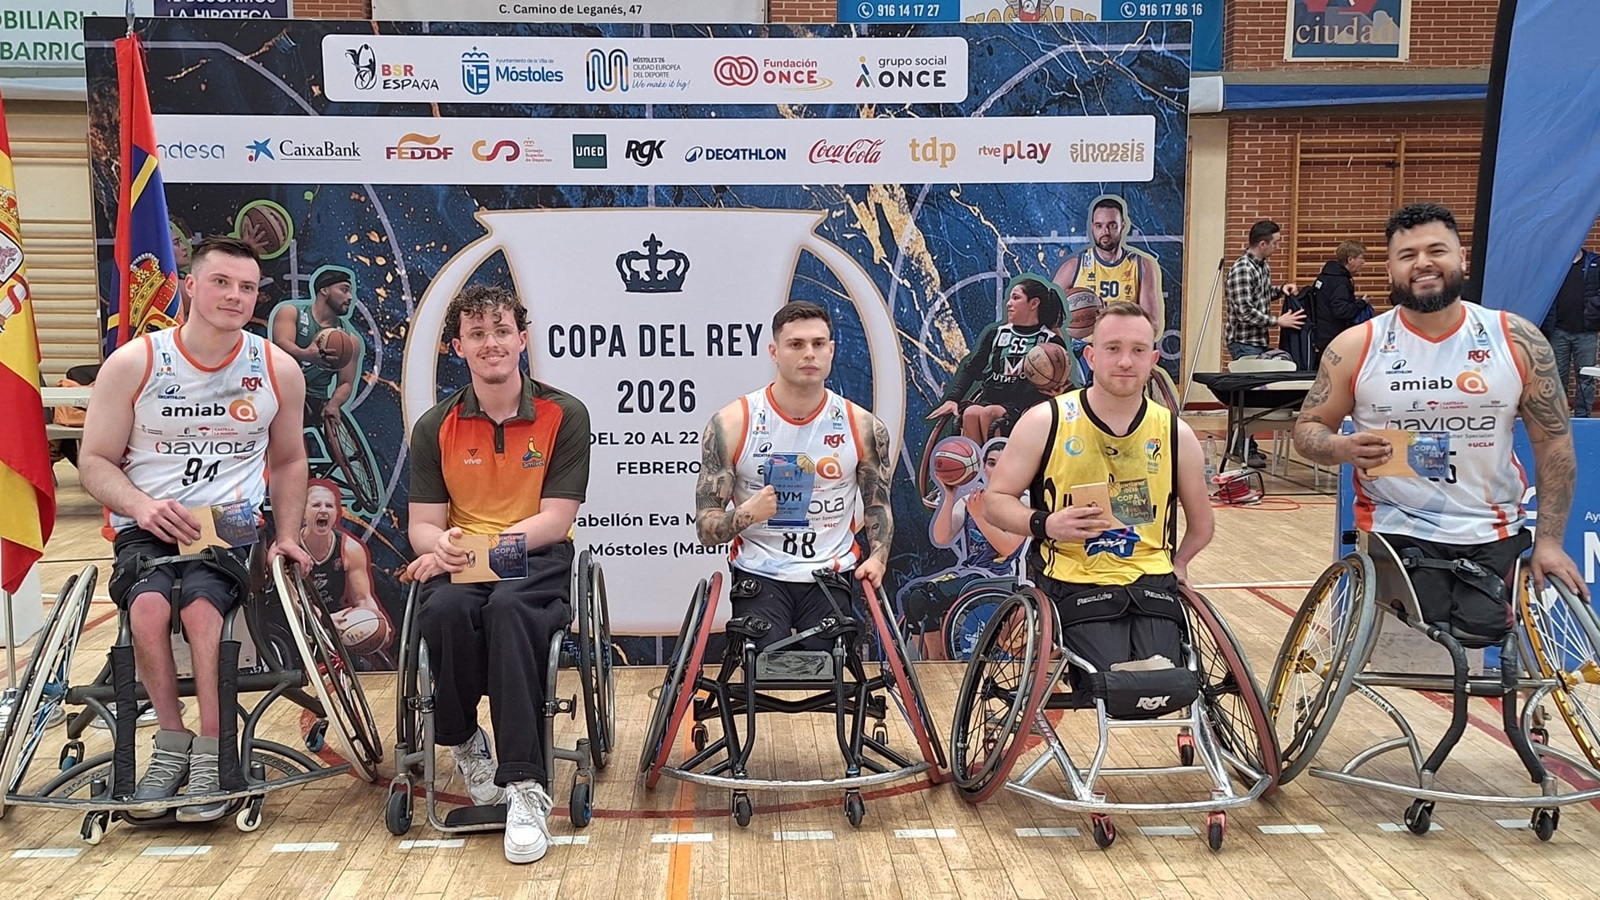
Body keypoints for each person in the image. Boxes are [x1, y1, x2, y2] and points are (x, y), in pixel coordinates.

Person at [77, 236, 311, 821]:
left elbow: (288, 461)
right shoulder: (134, 363)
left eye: (247, 287)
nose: (235, 296)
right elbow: (94, 461)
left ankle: (212, 749)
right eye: (222, 283)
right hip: (150, 522)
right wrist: (141, 504)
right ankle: (170, 743)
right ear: (190, 285)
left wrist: (286, 534)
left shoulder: (276, 368)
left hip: (228, 524)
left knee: (204, 610)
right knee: (148, 609)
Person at [1293, 203, 1588, 635]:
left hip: (1492, 530)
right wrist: (1340, 446)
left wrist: (1549, 541)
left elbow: (1553, 443)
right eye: (1407, 255)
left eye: (1436, 250)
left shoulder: (1517, 339)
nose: (1422, 263)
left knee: (1483, 634)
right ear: (1390, 269)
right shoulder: (1355, 346)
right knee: (1420, 644)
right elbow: (1307, 430)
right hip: (1395, 529)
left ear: (1461, 258)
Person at [404, 284, 590, 865]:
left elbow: (555, 520)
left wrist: (467, 551)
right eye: (477, 333)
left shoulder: (565, 414)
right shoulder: (436, 425)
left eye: (502, 331)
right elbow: (423, 526)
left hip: (535, 557)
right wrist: (439, 546)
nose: (492, 343)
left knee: (509, 610)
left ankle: (525, 786)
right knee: (442, 609)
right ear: (458, 346)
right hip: (465, 561)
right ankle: (465, 741)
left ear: (522, 339)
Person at [981, 300, 1215, 671]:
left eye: (1138, 350)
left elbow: (1202, 526)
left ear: (1153, 359)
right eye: (1112, 348)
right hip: (1071, 579)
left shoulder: (1175, 433)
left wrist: (1180, 563)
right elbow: (995, 501)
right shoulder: (1046, 421)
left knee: (1164, 680)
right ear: (1090, 357)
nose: (1125, 361)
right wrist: (1046, 523)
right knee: (1110, 678)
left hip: (1150, 580)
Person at [695, 300, 894, 651]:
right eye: (796, 344)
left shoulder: (863, 426)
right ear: (774, 352)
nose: (809, 354)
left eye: (818, 343)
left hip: (830, 573)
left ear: (831, 350)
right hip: (760, 572)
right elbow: (705, 529)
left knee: (826, 666)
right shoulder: (732, 423)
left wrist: (878, 557)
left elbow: (878, 505)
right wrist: (746, 514)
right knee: (764, 666)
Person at [928, 274, 1069, 444]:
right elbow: (972, 368)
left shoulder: (1050, 342)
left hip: (1024, 406)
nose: (1008, 303)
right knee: (971, 413)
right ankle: (977, 460)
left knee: (990, 414)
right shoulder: (996, 334)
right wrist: (953, 398)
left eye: (1016, 298)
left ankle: (998, 458)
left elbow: (1060, 383)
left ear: (1034, 303)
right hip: (991, 398)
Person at [1225, 219, 1306, 466]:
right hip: (1243, 341)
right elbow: (1244, 311)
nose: (1277, 247)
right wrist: (1277, 321)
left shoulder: (1262, 266)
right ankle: (1242, 447)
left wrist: (1280, 290)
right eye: (1275, 243)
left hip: (1258, 340)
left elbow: (1261, 294)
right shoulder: (1242, 269)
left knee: (1254, 397)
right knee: (1247, 399)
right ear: (1262, 243)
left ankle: (1247, 445)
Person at [301, 479, 394, 667]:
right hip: (296, 619)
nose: (323, 510)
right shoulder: (290, 548)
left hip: (335, 618)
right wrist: (322, 618)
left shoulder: (350, 549)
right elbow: (293, 600)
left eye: (329, 506)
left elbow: (362, 598)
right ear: (302, 513)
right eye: (316, 505)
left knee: (362, 667)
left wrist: (376, 618)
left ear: (337, 513)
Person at [269, 265, 363, 434]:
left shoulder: (350, 341)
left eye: (351, 292)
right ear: (324, 290)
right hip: (282, 389)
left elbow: (346, 383)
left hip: (314, 400)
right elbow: (281, 343)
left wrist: (334, 404)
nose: (350, 297)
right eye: (344, 290)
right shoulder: (291, 312)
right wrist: (306, 354)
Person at [1052, 194, 1165, 329]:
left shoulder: (1141, 265)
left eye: (1112, 225)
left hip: (1123, 340)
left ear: (1123, 226)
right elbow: (1048, 314)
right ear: (1092, 227)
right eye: (1099, 226)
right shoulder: (1074, 266)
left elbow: (1152, 324)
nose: (1105, 232)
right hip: (1084, 342)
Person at [1539, 247, 1600, 418]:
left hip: (1586, 332)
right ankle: (1559, 416)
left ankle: (1583, 416)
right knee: (1557, 377)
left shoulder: (1595, 262)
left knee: (1586, 377)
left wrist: (1593, 309)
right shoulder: (1554, 263)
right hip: (1558, 331)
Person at [1309, 240, 1373, 367]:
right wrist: (1361, 303)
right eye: (1361, 258)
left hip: (1321, 335)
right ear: (1350, 259)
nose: (1363, 262)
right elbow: (1341, 310)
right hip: (1333, 338)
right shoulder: (1340, 282)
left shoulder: (1325, 276)